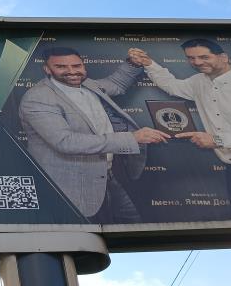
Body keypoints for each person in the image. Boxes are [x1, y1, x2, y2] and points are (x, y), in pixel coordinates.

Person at [129, 39, 231, 219]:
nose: (197, 62)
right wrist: (149, 64)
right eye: (191, 58)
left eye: (204, 57)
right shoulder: (199, 82)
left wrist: (218, 140)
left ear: (223, 57)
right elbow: (173, 86)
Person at [19, 47, 170, 223]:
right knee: (84, 236)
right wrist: (132, 138)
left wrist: (133, 63)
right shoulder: (38, 98)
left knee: (132, 226)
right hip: (71, 186)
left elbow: (116, 84)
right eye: (61, 67)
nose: (72, 71)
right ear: (47, 69)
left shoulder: (88, 84)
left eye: (77, 66)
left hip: (106, 176)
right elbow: (66, 142)